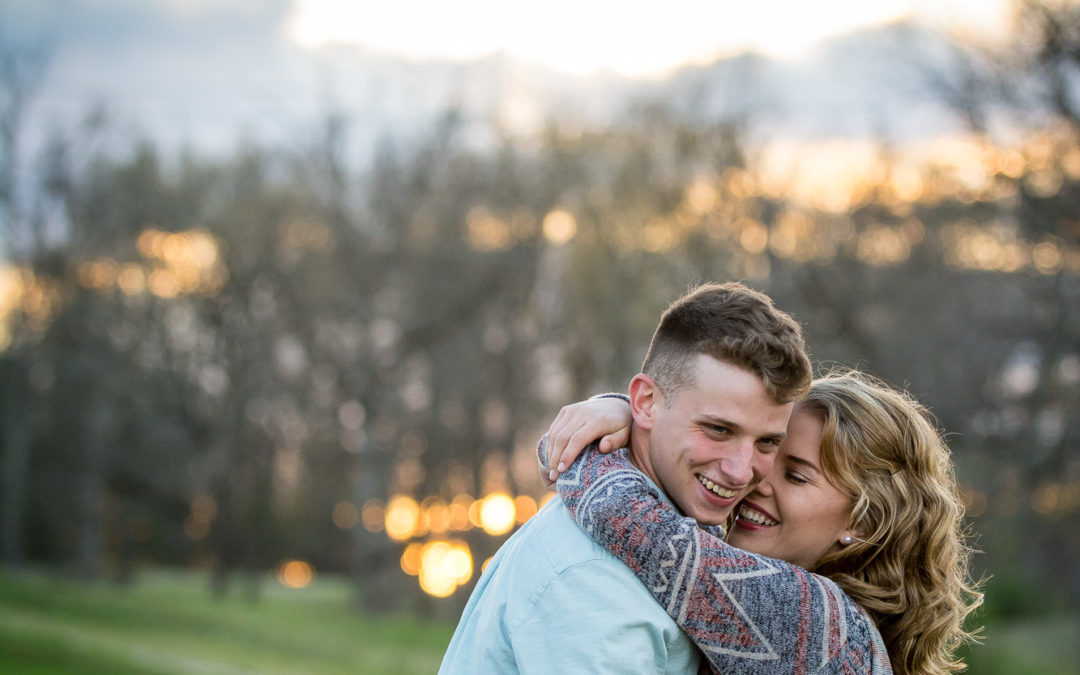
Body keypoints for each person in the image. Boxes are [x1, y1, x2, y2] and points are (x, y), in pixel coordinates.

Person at [438, 282, 813, 673]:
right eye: (718, 430)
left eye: (767, 442)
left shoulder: (671, 532)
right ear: (645, 403)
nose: (740, 470)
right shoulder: (594, 587)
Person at [542, 369, 983, 674]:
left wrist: (617, 422)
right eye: (767, 450)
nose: (752, 476)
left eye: (796, 475)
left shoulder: (818, 627)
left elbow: (632, 523)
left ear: (864, 523)